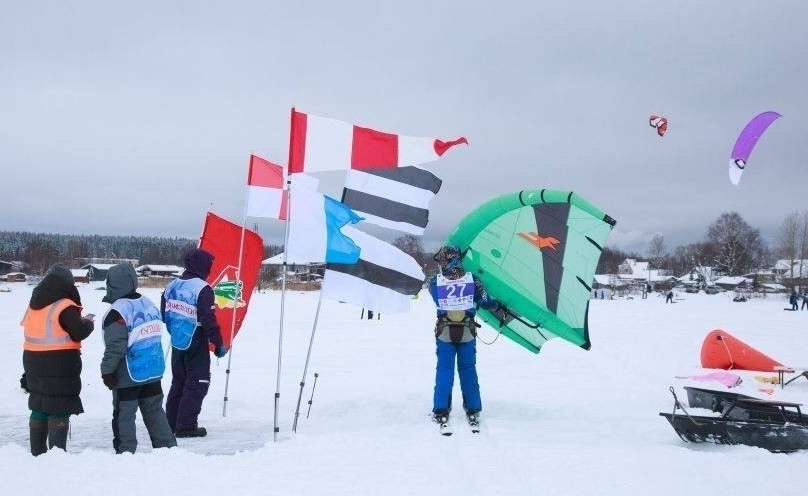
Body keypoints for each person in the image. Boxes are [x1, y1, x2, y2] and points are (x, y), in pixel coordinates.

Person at [100, 263, 176, 453]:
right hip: (153, 369)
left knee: (125, 414)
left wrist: (107, 370)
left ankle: (125, 451)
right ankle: (168, 448)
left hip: (129, 373)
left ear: (112, 284)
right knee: (155, 410)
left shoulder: (117, 311)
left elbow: (116, 346)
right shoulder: (147, 303)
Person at [428, 245, 505, 428]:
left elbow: (438, 300)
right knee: (468, 369)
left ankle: (441, 409)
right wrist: (497, 306)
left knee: (445, 369)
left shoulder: (435, 282)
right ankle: (473, 408)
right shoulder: (473, 280)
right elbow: (486, 302)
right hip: (467, 332)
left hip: (444, 332)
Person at [21, 264, 94, 455]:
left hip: (32, 360)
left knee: (39, 403)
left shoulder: (34, 304)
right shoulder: (64, 305)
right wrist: (88, 323)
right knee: (59, 406)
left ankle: (37, 452)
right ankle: (57, 455)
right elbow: (78, 332)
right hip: (59, 362)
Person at [162, 248, 228, 438]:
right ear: (202, 266)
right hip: (195, 339)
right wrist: (218, 343)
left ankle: (170, 423)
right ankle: (186, 426)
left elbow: (165, 314)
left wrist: (176, 330)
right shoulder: (202, 289)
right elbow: (208, 319)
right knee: (198, 381)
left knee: (179, 382)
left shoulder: (172, 285)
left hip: (177, 341)